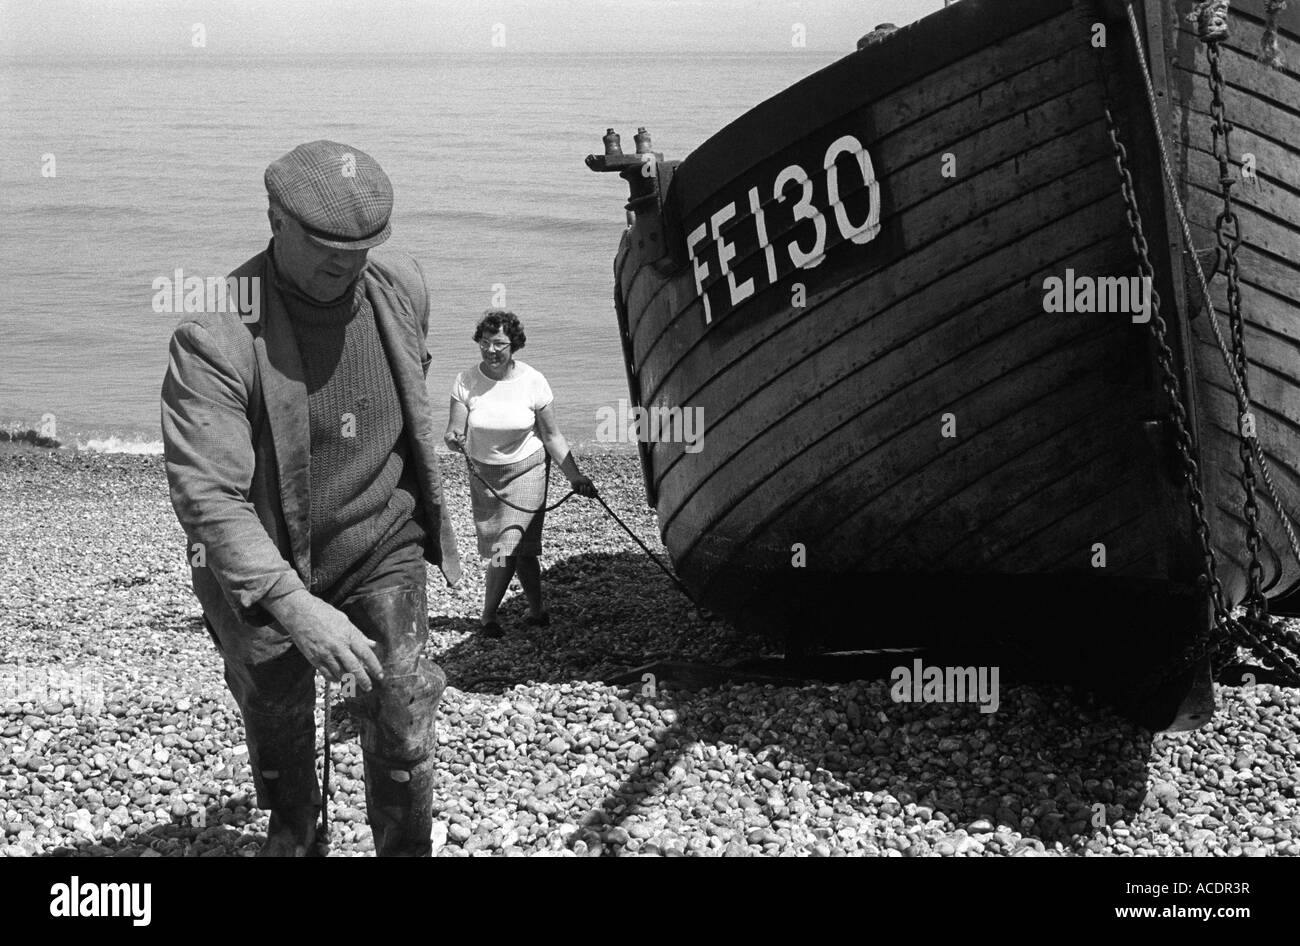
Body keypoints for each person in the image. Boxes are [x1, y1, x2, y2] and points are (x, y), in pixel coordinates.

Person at [160, 139, 462, 857]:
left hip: (380, 543)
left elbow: (404, 401)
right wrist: (297, 608)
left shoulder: (404, 289)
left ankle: (406, 846)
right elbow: (210, 496)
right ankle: (295, 822)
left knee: (403, 708)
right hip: (264, 567)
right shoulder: (215, 339)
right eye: (328, 248)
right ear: (275, 219)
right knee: (278, 717)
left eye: (363, 249)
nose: (348, 265)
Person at [444, 311, 596, 637]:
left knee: (507, 545)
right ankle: (538, 611)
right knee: (523, 549)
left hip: (528, 469)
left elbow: (552, 436)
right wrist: (454, 440)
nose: (491, 351)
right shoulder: (465, 381)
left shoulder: (533, 381)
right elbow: (454, 432)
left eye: (499, 344)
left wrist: (574, 476)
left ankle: (487, 618)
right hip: (485, 476)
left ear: (514, 345)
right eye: (484, 343)